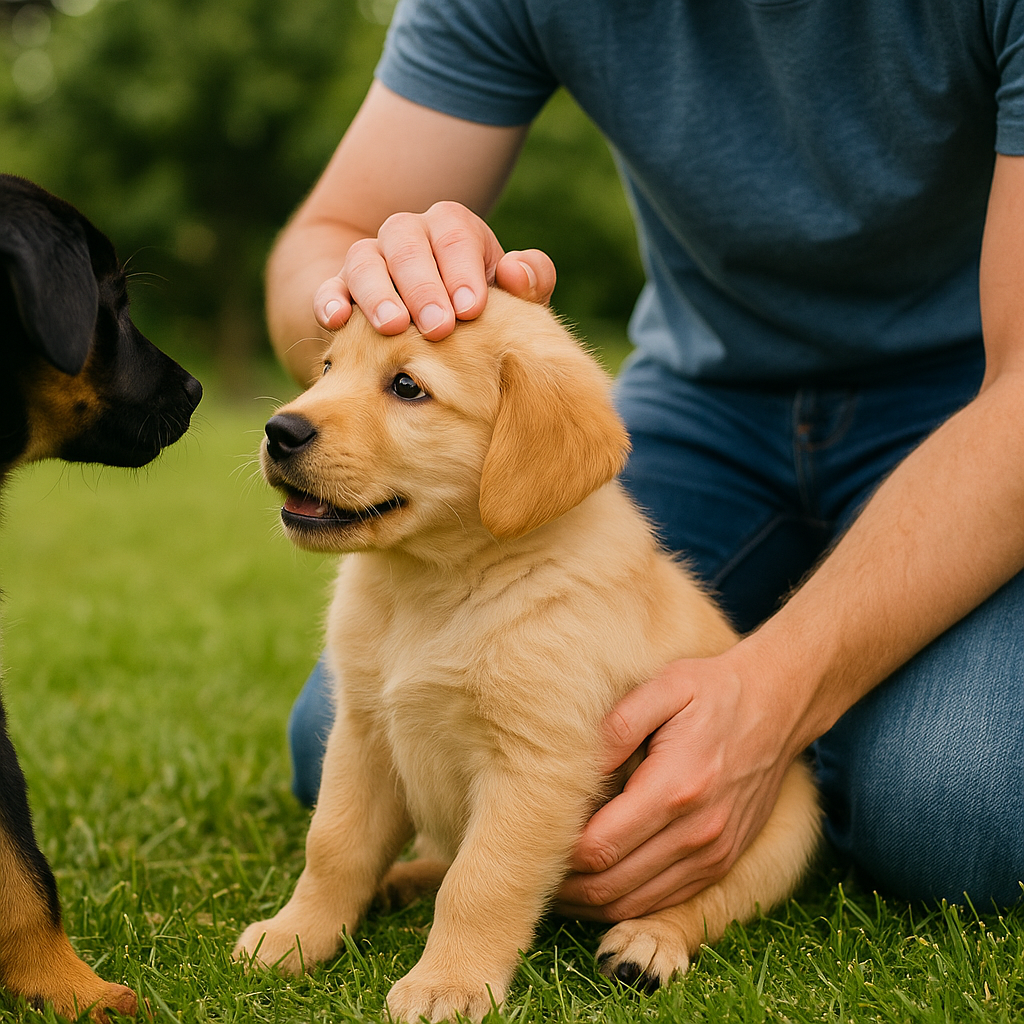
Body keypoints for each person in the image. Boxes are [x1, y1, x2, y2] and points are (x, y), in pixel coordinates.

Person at [270, 0, 1024, 917]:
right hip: (708, 400)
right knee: (347, 729)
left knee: (964, 805)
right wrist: (374, 291)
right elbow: (322, 239)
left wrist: (776, 696)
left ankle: (832, 757)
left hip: (977, 410)